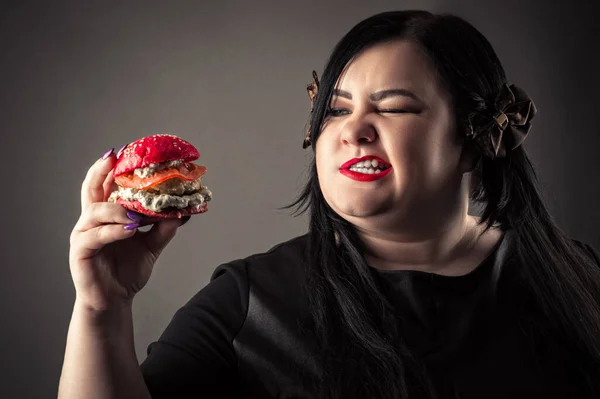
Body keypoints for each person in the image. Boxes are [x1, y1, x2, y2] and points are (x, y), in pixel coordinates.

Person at [58, 9, 600, 399]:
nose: (354, 131)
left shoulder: (579, 280)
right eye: (336, 111)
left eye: (395, 108)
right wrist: (102, 311)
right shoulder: (251, 302)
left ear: (477, 139)